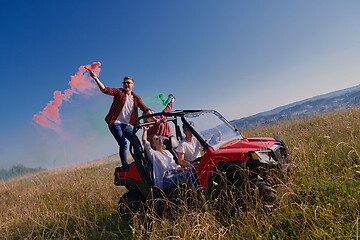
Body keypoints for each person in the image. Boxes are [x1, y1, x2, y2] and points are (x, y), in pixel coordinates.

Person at [88, 69, 151, 166]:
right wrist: (96, 78)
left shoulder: (136, 98)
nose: (126, 84)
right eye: (124, 83)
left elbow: (144, 108)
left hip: (126, 125)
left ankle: (141, 163)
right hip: (115, 123)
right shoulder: (119, 92)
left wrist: (152, 115)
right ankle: (125, 166)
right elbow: (105, 89)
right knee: (123, 144)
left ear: (133, 85)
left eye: (128, 83)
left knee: (136, 142)